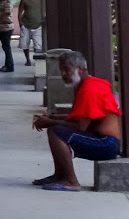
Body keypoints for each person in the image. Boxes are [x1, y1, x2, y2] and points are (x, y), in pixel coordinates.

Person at [30, 50, 122, 191]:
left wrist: (50, 122)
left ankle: (71, 181)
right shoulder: (85, 85)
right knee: (55, 128)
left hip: (106, 143)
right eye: (61, 70)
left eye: (67, 69)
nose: (63, 74)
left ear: (81, 69)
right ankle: (59, 175)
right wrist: (51, 118)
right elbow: (76, 117)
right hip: (101, 139)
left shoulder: (90, 88)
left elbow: (80, 126)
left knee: (56, 131)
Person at [17, 0, 44, 66]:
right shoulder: (24, 0)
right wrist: (20, 24)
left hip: (38, 26)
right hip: (26, 25)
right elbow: (20, 12)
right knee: (25, 44)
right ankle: (28, 60)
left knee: (38, 45)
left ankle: (37, 62)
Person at [0, 0, 16, 72]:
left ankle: (9, 66)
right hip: (2, 28)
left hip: (7, 27)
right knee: (5, 47)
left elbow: (6, 16)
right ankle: (7, 65)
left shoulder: (8, 3)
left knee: (7, 47)